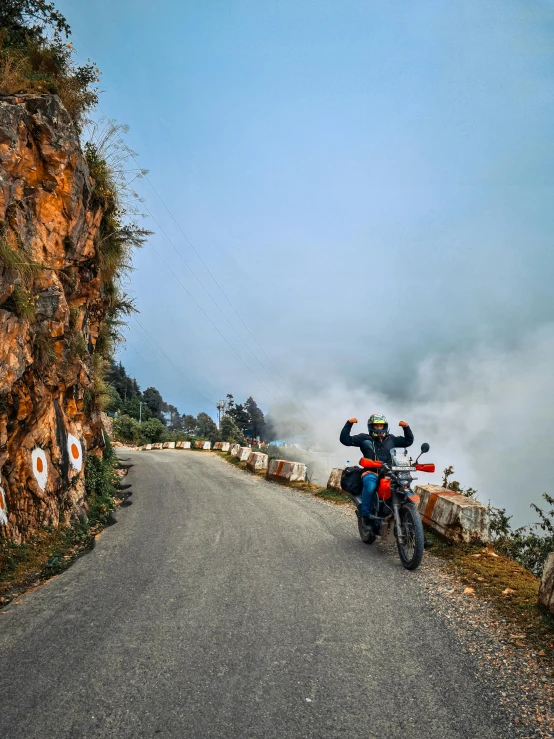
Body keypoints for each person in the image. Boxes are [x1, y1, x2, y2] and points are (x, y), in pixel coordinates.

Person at [340, 414, 414, 528]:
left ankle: (417, 531)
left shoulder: (392, 439)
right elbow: (345, 440)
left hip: (390, 472)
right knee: (370, 485)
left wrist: (406, 427)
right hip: (371, 471)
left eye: (381, 425)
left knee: (406, 491)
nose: (379, 428)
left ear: (385, 426)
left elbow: (408, 441)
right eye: (376, 426)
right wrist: (349, 423)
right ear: (371, 427)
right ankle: (366, 516)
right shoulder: (364, 438)